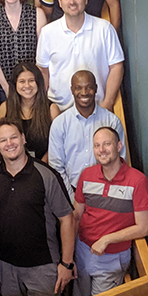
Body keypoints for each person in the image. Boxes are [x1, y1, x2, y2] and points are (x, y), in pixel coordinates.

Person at [0, 119, 75, 296]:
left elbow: (66, 218)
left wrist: (66, 263)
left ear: (23, 139)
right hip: (5, 265)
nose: (9, 143)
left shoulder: (46, 175)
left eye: (14, 137)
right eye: (3, 140)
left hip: (43, 266)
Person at [73, 127, 148, 296]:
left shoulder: (138, 181)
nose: (101, 150)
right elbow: (77, 216)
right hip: (82, 250)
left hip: (112, 257)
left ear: (119, 146)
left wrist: (107, 239)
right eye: (97, 145)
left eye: (107, 144)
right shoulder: (86, 175)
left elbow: (143, 227)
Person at [36, 0, 124, 112]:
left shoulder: (104, 28)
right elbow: (43, 71)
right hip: (59, 112)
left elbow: (117, 66)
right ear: (59, 2)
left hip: (97, 109)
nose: (72, 2)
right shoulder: (47, 32)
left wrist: (107, 103)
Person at [49, 70, 126, 201]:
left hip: (106, 194)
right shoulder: (60, 124)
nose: (84, 93)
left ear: (96, 88)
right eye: (78, 88)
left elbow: (120, 161)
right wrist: (73, 199)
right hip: (71, 192)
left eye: (89, 87)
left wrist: (109, 194)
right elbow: (56, 166)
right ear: (72, 90)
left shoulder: (111, 121)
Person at [0, 62, 60, 162]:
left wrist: (41, 166)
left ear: (38, 83)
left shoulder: (51, 109)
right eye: (22, 81)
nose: (27, 85)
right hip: (13, 165)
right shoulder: (5, 108)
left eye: (31, 81)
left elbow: (57, 143)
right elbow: (1, 141)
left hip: (44, 166)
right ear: (15, 84)